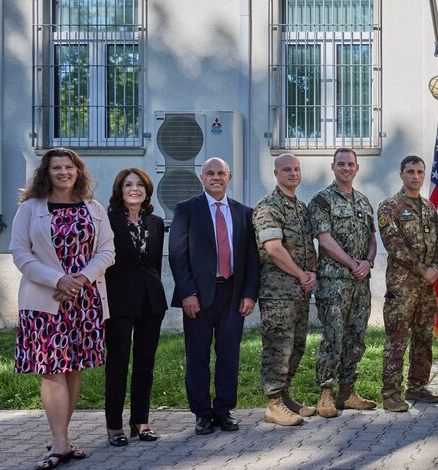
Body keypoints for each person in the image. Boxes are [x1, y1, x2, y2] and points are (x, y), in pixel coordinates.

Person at [11, 149, 115, 470]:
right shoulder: (30, 209)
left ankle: (63, 440)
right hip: (46, 302)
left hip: (85, 300)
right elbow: (19, 252)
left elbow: (107, 250)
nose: (63, 172)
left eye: (69, 167)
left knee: (73, 369)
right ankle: (59, 443)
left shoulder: (94, 208)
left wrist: (82, 278)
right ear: (47, 172)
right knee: (52, 369)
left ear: (78, 171)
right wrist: (59, 279)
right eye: (56, 167)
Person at [169, 157, 259, 435]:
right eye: (210, 173)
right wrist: (187, 293)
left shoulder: (244, 213)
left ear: (229, 177)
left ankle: (223, 410)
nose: (216, 177)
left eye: (221, 173)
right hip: (198, 295)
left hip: (233, 294)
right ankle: (202, 414)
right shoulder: (186, 210)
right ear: (201, 177)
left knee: (229, 354)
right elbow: (177, 255)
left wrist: (249, 294)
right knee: (197, 354)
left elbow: (252, 259)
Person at [308, 148, 377, 418]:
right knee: (333, 337)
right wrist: (353, 263)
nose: (346, 168)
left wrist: (368, 262)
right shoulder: (322, 200)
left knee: (356, 338)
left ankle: (347, 392)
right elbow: (324, 240)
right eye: (341, 164)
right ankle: (325, 393)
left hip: (361, 282)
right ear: (333, 166)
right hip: (334, 281)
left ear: (357, 168)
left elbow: (372, 237)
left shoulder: (363, 201)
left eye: (350, 164)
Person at [103, 168, 167, 446]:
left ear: (147, 190)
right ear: (119, 190)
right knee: (117, 362)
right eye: (128, 184)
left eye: (140, 185)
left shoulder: (156, 222)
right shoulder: (107, 222)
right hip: (118, 299)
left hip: (151, 300)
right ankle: (114, 426)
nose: (134, 189)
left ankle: (140, 421)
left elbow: (154, 264)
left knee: (145, 363)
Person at [253, 153, 317, 426]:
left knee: (297, 346)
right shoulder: (269, 207)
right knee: (278, 347)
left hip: (300, 291)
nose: (293, 174)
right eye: (287, 170)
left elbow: (309, 246)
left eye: (296, 169)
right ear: (276, 173)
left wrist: (311, 272)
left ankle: (286, 395)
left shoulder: (300, 208)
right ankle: (273, 403)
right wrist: (302, 274)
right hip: (277, 293)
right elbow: (273, 249)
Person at [378, 155, 438, 412]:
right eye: (410, 171)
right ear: (401, 174)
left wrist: (436, 267)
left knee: (423, 337)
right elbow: (394, 246)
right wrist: (423, 270)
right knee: (397, 340)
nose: (415, 176)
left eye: (419, 171)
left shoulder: (429, 208)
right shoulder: (389, 206)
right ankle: (391, 393)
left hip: (426, 287)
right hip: (402, 286)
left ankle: (417, 386)